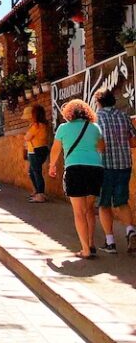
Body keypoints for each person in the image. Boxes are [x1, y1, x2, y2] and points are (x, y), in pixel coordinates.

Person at [48, 99, 106, 259]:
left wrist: (52, 166)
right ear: (87, 112)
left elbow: (55, 150)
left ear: (68, 113)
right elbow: (101, 147)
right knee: (89, 209)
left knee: (79, 212)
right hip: (95, 169)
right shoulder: (95, 127)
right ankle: (91, 243)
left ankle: (85, 250)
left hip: (75, 169)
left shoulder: (63, 128)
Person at [94, 88, 136, 254]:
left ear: (98, 102)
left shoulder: (97, 119)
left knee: (104, 204)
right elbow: (133, 142)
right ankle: (130, 231)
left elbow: (96, 143)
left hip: (104, 166)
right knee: (122, 201)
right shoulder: (124, 116)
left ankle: (110, 242)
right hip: (124, 165)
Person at [25, 104, 50, 202]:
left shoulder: (36, 125)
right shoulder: (44, 125)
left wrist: (27, 134)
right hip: (42, 149)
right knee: (33, 172)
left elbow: (27, 137)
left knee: (36, 172)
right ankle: (38, 192)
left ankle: (40, 194)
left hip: (34, 151)